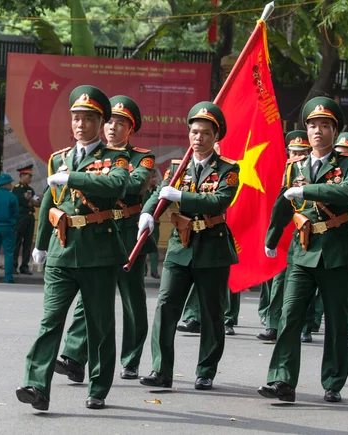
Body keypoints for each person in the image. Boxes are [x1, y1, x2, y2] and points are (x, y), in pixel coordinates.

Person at [15, 85, 129, 411]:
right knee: (50, 321)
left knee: (99, 325)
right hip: (62, 250)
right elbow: (49, 202)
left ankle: (98, 387)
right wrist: (39, 244)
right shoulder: (58, 159)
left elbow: (116, 184)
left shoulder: (114, 158)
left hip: (98, 253)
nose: (80, 124)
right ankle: (36, 385)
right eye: (76, 118)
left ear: (101, 122)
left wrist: (73, 179)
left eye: (88, 118)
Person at [258, 97, 348, 403]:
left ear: (335, 130)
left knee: (336, 319)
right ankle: (282, 380)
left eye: (324, 126)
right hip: (302, 251)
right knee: (290, 314)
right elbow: (283, 203)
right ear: (305, 130)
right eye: (312, 126)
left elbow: (347, 194)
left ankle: (333, 381)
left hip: (336, 251)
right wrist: (272, 237)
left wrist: (306, 190)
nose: (317, 131)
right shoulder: (295, 166)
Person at [137, 102, 240, 391]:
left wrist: (181, 194)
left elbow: (218, 201)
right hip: (179, 247)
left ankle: (205, 370)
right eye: (194, 132)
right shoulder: (177, 167)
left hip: (212, 247)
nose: (198, 138)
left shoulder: (228, 169)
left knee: (211, 312)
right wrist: (147, 212)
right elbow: (160, 194)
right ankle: (161, 370)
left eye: (205, 133)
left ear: (215, 136)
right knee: (166, 306)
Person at [54, 95, 155, 383]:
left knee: (131, 299)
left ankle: (131, 358)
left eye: (120, 123)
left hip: (127, 233)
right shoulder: (89, 155)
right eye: (109, 122)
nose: (112, 128)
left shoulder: (140, 157)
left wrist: (104, 182)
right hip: (96, 235)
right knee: (88, 299)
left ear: (131, 129)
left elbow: (132, 185)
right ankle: (74, 356)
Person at [257, 130, 311, 343]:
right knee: (278, 280)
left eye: (301, 151)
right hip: (282, 232)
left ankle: (305, 326)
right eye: (293, 151)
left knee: (305, 283)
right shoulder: (282, 169)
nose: (297, 155)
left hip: (306, 231)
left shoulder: (311, 171)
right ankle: (272, 325)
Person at [12, 165, 40, 275]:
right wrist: (29, 202)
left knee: (28, 242)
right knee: (17, 242)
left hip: (29, 218)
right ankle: (13, 265)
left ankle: (24, 265)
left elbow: (37, 203)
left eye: (31, 176)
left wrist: (30, 201)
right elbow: (23, 202)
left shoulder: (30, 189)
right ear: (22, 175)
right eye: (28, 176)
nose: (30, 178)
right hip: (21, 217)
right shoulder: (17, 188)